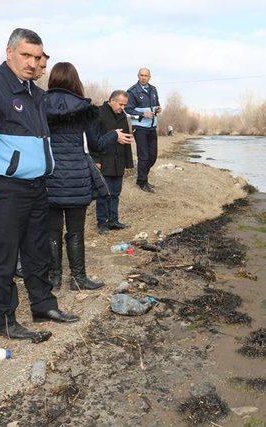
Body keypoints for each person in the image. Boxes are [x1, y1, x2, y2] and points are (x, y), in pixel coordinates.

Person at [0, 28, 78, 343]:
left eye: (36, 57)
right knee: (5, 256)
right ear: (9, 52)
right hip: (5, 189)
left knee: (38, 253)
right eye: (25, 55)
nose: (31, 62)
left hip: (37, 186)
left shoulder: (36, 94)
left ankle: (43, 305)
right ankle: (3, 319)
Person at [45, 62, 134, 290]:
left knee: (51, 231)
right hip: (76, 177)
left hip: (48, 176)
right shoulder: (84, 109)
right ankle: (78, 278)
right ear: (76, 81)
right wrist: (114, 135)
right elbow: (97, 145)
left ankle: (54, 279)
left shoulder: (38, 103)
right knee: (75, 230)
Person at [15, 50, 50, 280]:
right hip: (11, 184)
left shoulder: (39, 96)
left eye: (42, 64)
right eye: (39, 64)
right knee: (12, 237)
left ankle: (41, 300)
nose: (40, 68)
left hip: (37, 182)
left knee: (35, 239)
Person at [92, 90, 134, 235]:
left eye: (125, 105)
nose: (122, 107)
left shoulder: (123, 116)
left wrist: (128, 163)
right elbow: (93, 139)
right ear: (112, 100)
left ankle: (113, 220)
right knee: (104, 193)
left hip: (119, 160)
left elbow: (127, 139)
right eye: (120, 104)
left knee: (115, 193)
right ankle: (102, 223)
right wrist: (96, 160)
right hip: (104, 160)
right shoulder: (99, 112)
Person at [125, 67, 161, 193]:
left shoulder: (153, 89)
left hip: (152, 127)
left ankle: (143, 178)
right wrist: (143, 114)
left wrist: (158, 109)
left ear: (149, 77)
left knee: (153, 156)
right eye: (141, 75)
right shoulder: (132, 91)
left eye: (146, 75)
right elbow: (128, 109)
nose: (143, 77)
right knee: (144, 156)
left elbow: (156, 104)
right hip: (139, 128)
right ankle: (142, 181)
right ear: (138, 76)